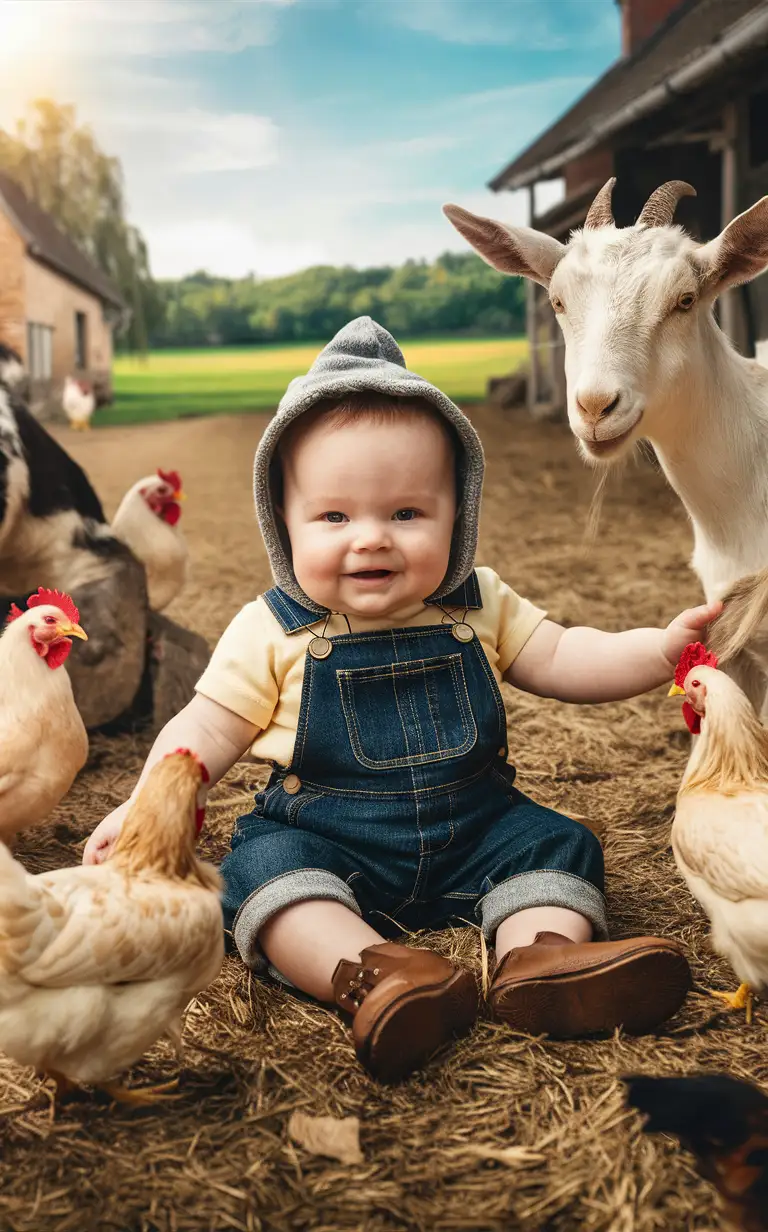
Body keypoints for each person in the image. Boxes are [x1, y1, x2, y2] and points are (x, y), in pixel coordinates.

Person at [84, 317, 717, 1083]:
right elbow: (203, 728)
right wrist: (143, 804)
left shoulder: (477, 602)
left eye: (408, 514)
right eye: (335, 516)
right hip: (329, 834)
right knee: (264, 871)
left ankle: (542, 958)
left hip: (476, 827)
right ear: (283, 525)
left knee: (556, 843)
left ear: (460, 515)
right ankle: (371, 975)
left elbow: (562, 655)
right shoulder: (273, 629)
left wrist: (655, 651)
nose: (372, 539)